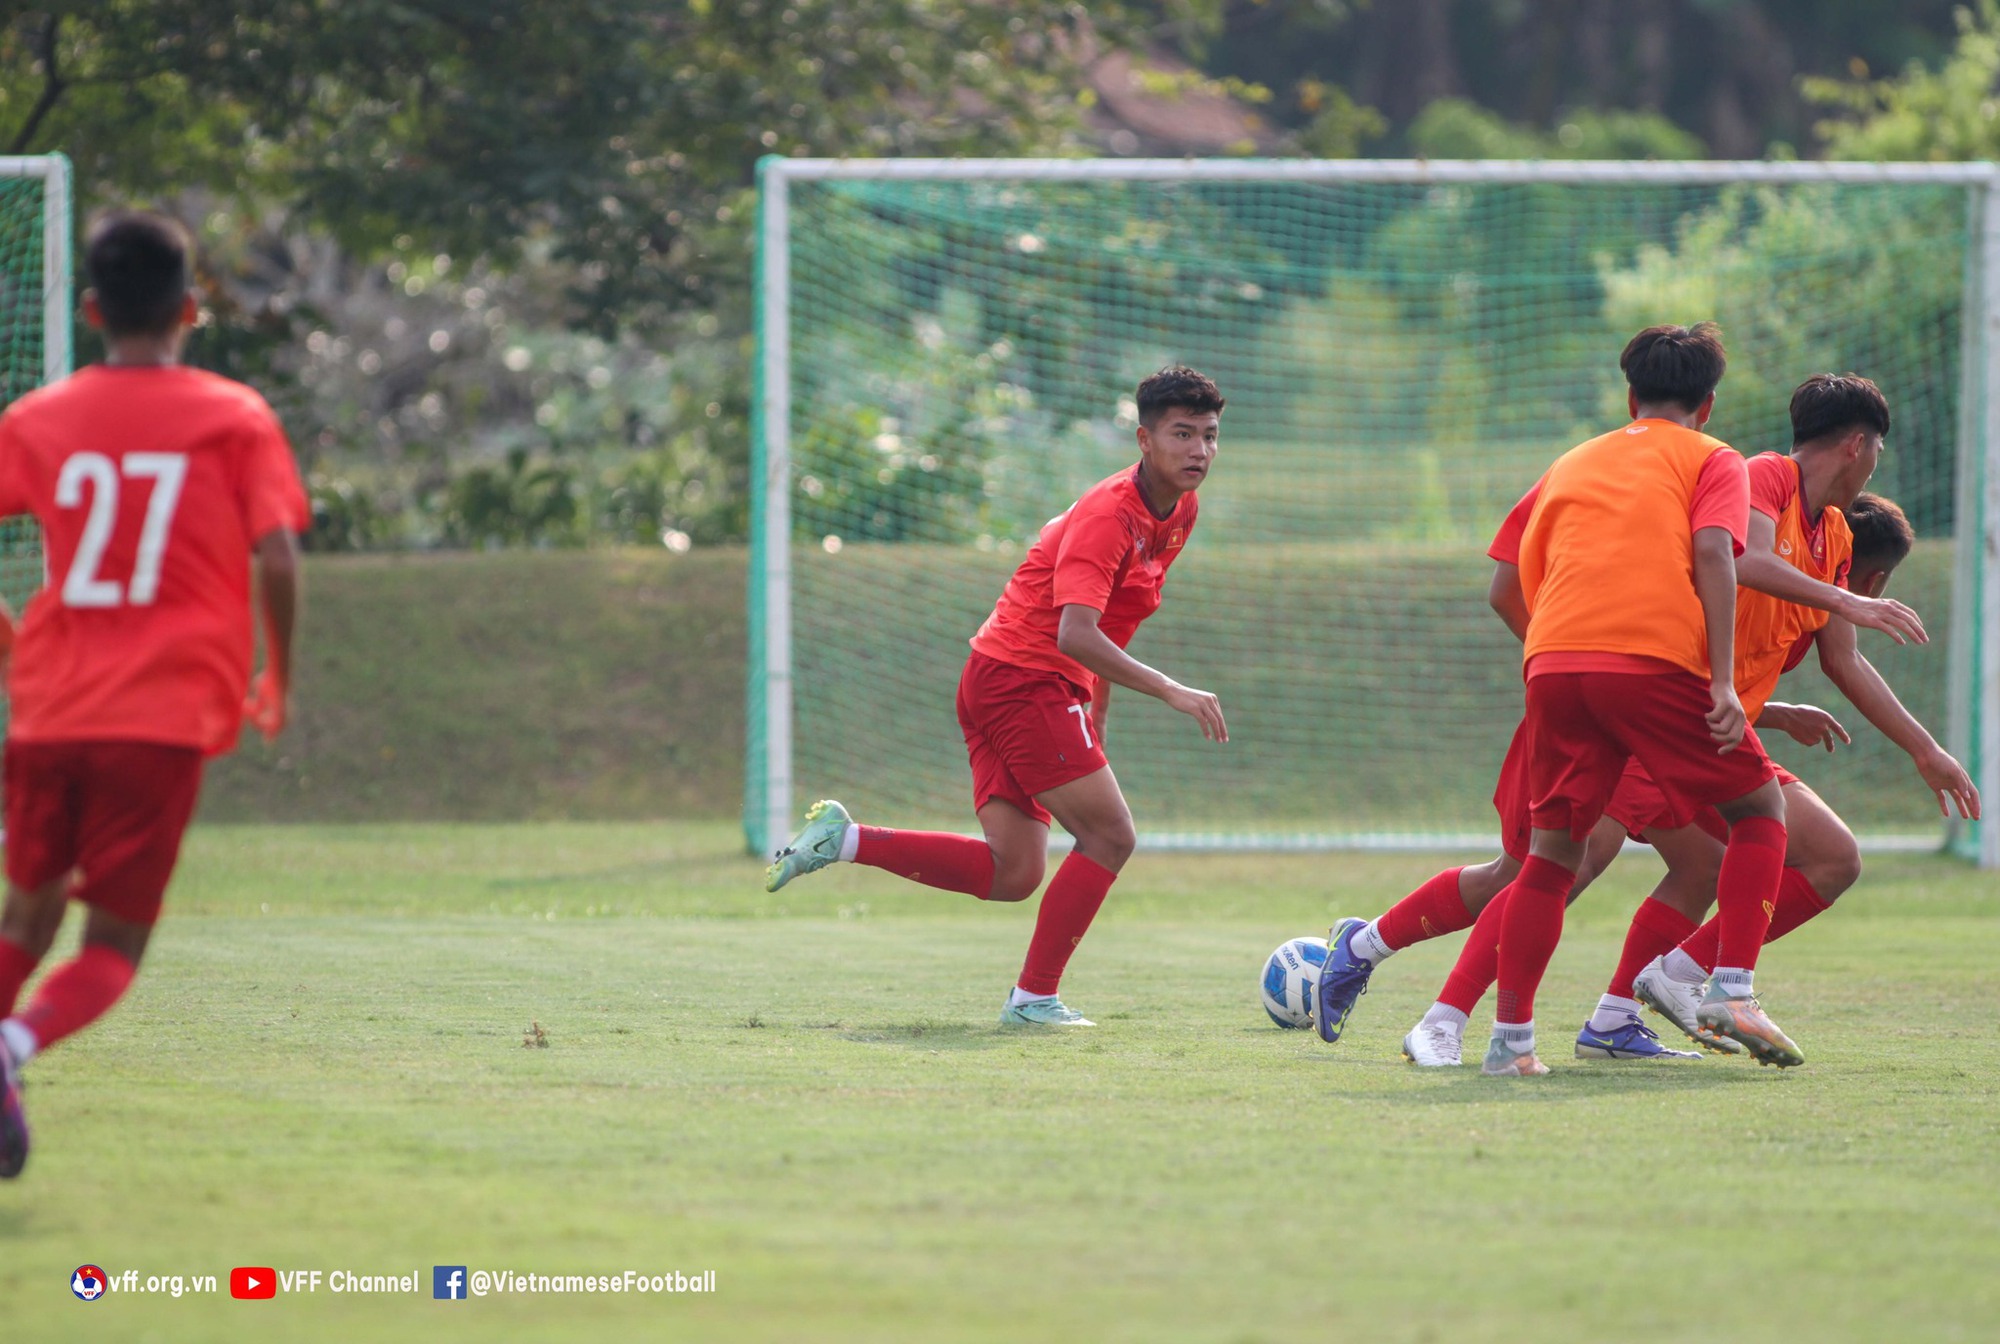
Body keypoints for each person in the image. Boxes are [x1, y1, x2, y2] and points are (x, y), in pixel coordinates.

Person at [1315, 367, 1925, 1068]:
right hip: (1638, 693)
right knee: (1544, 868)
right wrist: (1587, 660)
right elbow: (1519, 581)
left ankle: (1602, 1017)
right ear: (1707, 406)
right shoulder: (1719, 469)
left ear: (1635, 396)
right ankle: (1433, 1008)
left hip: (1646, 694)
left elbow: (1802, 640)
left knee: (1674, 866)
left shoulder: (1639, 469)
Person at [763, 367, 1228, 1027]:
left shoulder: (1180, 510)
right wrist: (1171, 690)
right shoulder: (1109, 515)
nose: (1199, 451)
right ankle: (1033, 999)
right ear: (1144, 439)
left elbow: (1115, 619)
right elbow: (1074, 632)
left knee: (1014, 873)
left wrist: (1095, 714)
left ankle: (845, 840)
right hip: (1023, 682)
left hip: (1009, 679)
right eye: (1182, 434)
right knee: (1110, 837)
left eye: (1209, 436)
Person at [0, 211, 308, 1178]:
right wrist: (276, 675)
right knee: (113, 946)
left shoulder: (34, 420)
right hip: (159, 719)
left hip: (48, 710)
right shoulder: (233, 416)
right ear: (190, 309)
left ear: (92, 309)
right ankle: (8, 1053)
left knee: (25, 916)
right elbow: (279, 555)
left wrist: (9, 645)